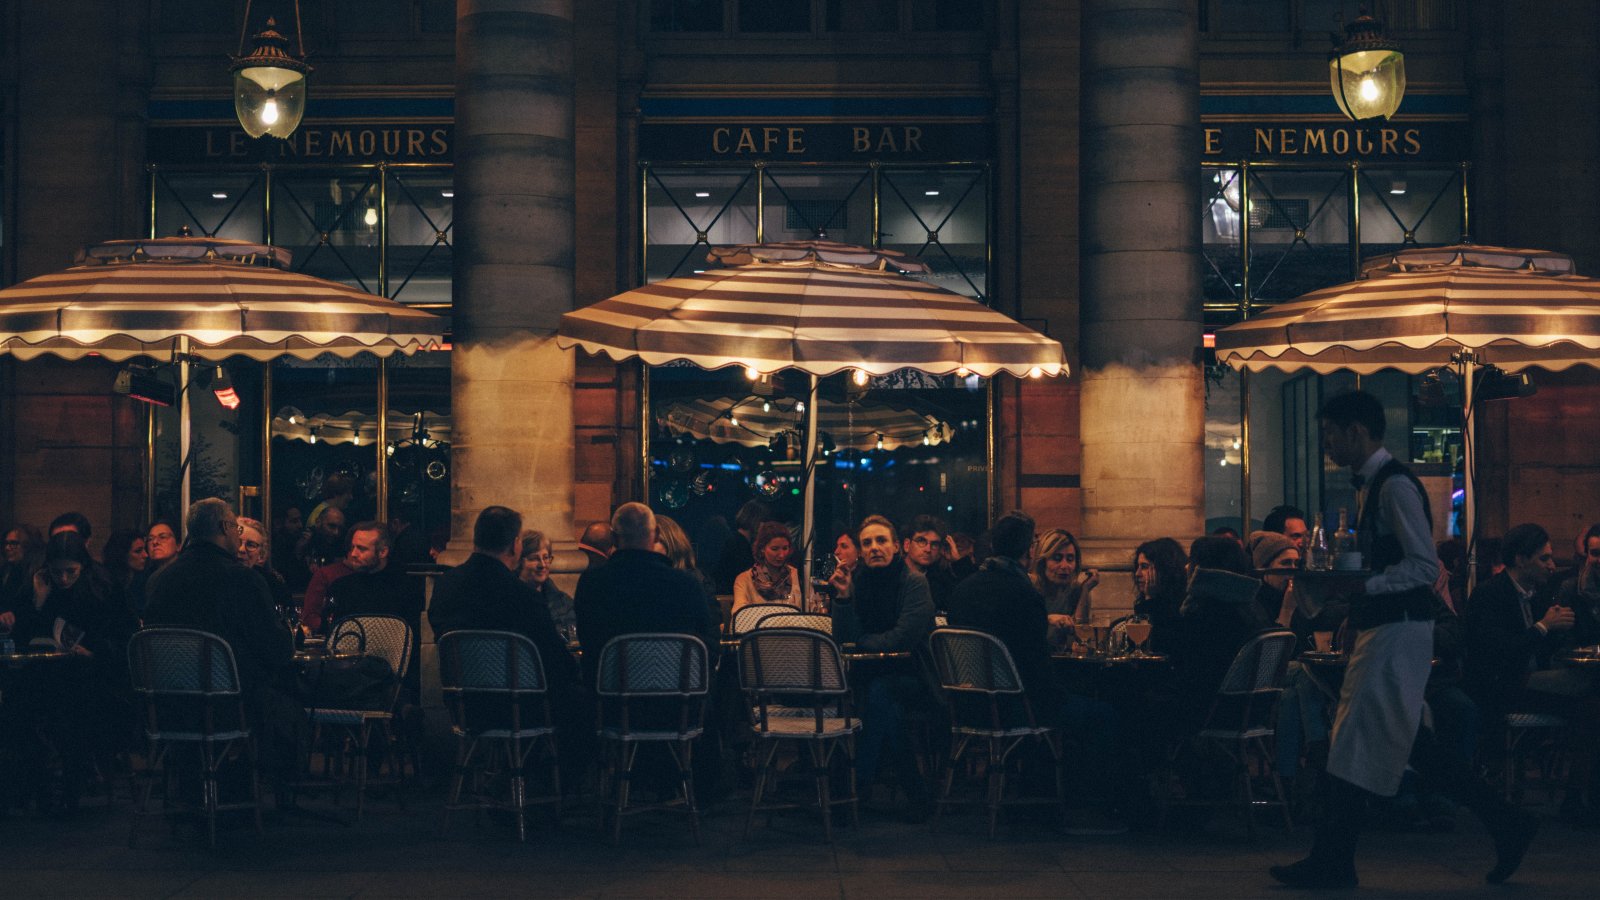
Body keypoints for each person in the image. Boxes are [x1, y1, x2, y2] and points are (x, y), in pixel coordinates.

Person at [1271, 391, 1535, 889]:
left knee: (1361, 740)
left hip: (1396, 632)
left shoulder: (1392, 488)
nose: (1325, 444)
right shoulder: (1379, 486)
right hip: (1391, 631)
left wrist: (1362, 586)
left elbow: (1421, 565)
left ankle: (1334, 859)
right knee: (1396, 741)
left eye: (1329, 433)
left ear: (1355, 431)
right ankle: (1505, 824)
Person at [946, 510, 1124, 834]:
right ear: (1030, 551)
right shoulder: (1023, 594)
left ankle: (1034, 794)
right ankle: (1091, 809)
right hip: (1016, 708)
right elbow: (1035, 666)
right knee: (1104, 715)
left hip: (969, 707)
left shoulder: (963, 589)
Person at [142, 499, 302, 786]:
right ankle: (254, 788)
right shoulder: (241, 579)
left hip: (168, 704)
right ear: (224, 528)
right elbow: (276, 648)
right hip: (229, 704)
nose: (239, 538)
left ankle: (195, 788)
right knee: (289, 702)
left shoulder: (159, 580)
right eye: (236, 529)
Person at [1465, 522, 1598, 823]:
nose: (1552, 565)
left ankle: (1579, 798)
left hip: (1533, 686)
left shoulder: (1538, 594)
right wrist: (1543, 627)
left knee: (1591, 708)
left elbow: (1555, 644)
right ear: (1521, 559)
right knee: (1590, 691)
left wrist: (1566, 624)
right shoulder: (1490, 595)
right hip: (1502, 687)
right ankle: (1579, 800)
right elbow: (1495, 653)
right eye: (1544, 558)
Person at [828, 514, 936, 815]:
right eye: (867, 543)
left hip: (915, 676)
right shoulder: (858, 581)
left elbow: (902, 639)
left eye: (881, 541)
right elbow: (844, 640)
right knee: (884, 707)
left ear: (896, 547)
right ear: (860, 552)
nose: (875, 547)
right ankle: (916, 792)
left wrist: (863, 642)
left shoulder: (914, 583)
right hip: (866, 676)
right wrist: (844, 597)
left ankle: (855, 787)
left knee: (880, 695)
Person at [573, 502, 719, 689]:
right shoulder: (686, 585)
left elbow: (590, 644)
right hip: (676, 699)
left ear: (615, 539)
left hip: (612, 697)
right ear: (656, 534)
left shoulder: (592, 583)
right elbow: (706, 644)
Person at [324, 522, 426, 697]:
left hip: (389, 679)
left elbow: (412, 644)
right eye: (352, 547)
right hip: (345, 675)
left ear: (383, 552)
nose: (353, 554)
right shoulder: (341, 588)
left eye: (362, 549)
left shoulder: (406, 588)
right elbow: (330, 633)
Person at [1030, 528, 1098, 647]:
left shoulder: (1076, 590)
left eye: (1070, 559)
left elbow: (1080, 640)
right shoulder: (1028, 585)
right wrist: (1048, 619)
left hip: (1061, 661)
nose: (1065, 565)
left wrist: (1085, 590)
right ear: (1043, 561)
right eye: (1057, 558)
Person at [655, 514, 723, 629]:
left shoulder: (694, 580)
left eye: (654, 541)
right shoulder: (643, 579)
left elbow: (711, 627)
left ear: (670, 543)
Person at [1131, 537, 1187, 656]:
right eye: (1138, 566)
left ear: (1164, 569)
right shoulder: (1145, 602)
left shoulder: (1182, 605)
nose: (1137, 573)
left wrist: (1150, 601)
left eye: (1144, 567)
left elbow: (1156, 646)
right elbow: (1135, 647)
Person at [731, 521, 802, 611]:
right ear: (762, 549)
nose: (781, 555)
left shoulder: (797, 575)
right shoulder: (745, 580)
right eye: (775, 549)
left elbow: (811, 608)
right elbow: (739, 614)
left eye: (785, 548)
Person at [519, 528, 575, 634]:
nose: (543, 565)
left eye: (546, 558)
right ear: (519, 562)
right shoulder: (511, 598)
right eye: (534, 558)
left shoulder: (562, 600)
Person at [236, 517, 293, 615]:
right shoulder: (215, 577)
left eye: (251, 545)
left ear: (261, 555)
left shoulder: (272, 583)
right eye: (238, 542)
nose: (241, 549)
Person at [900, 514, 957, 613]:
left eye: (934, 544)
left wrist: (957, 562)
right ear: (907, 545)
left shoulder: (942, 580)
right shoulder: (893, 574)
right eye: (921, 541)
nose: (928, 549)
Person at [713, 500, 770, 594]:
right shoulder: (738, 544)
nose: (764, 526)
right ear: (755, 520)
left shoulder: (736, 541)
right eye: (762, 521)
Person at [126, 518, 179, 617]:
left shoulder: (186, 575)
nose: (155, 542)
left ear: (178, 545)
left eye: (163, 537)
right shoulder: (141, 579)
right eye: (150, 539)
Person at [101, 529, 147, 614]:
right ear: (122, 554)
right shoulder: (109, 586)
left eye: (144, 549)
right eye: (138, 551)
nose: (145, 555)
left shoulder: (142, 580)